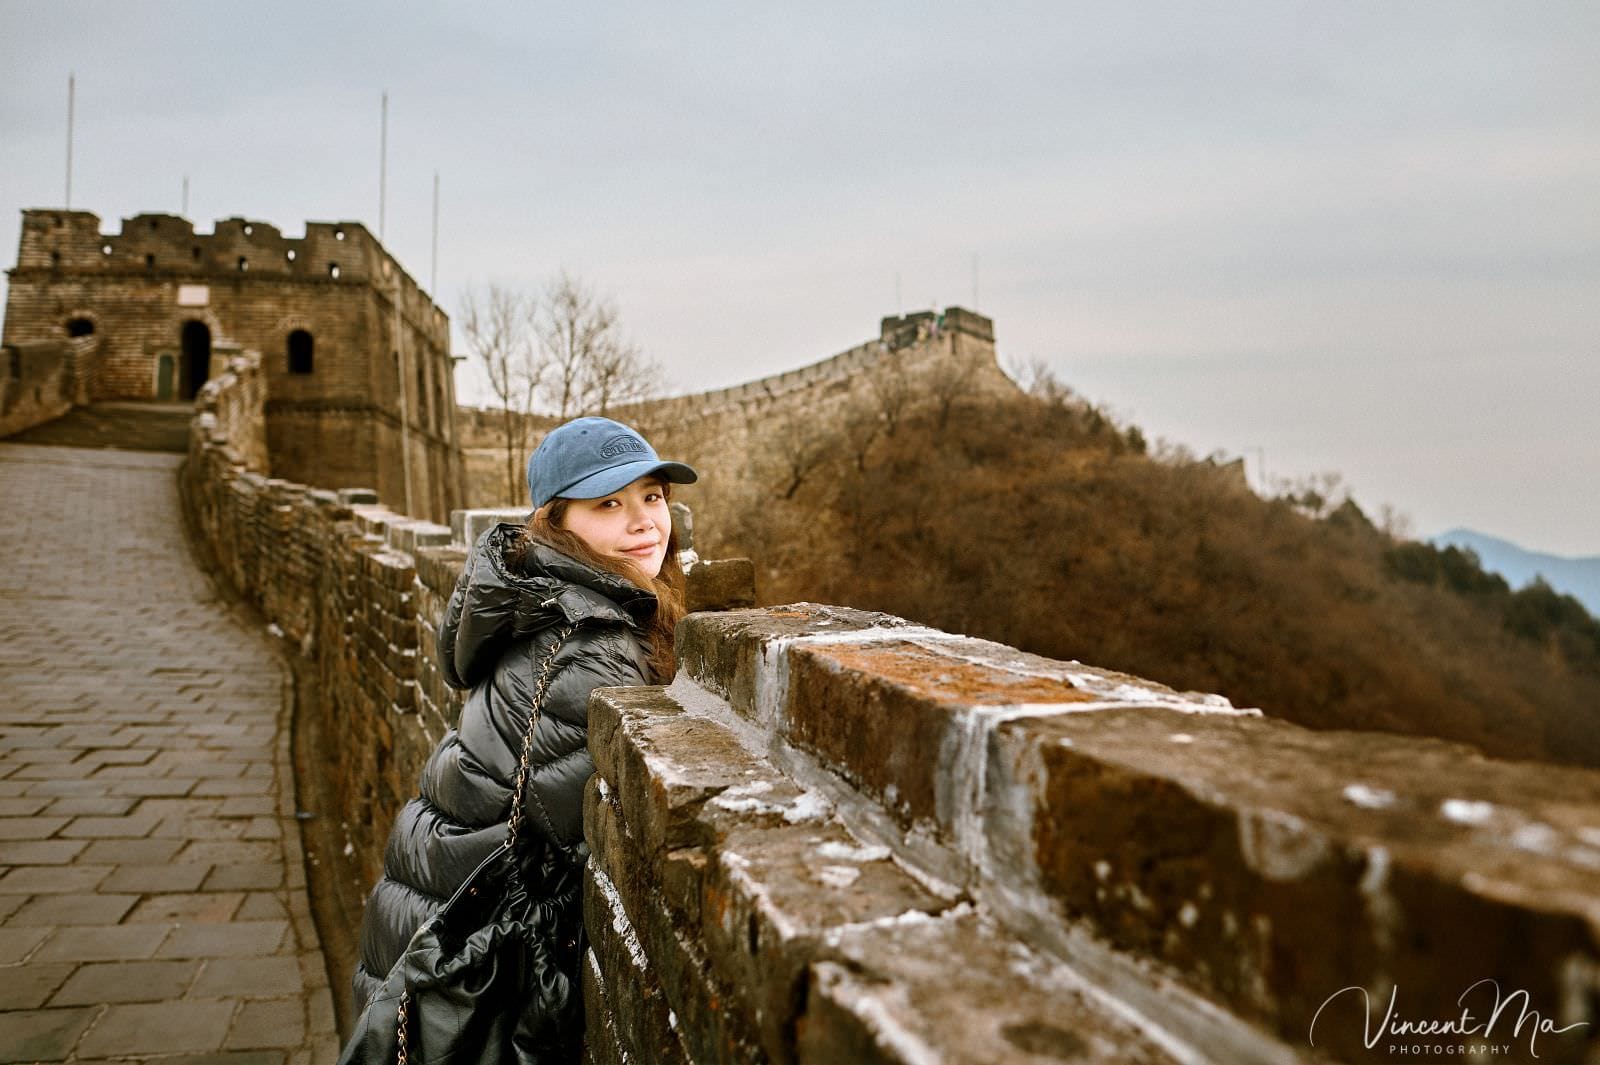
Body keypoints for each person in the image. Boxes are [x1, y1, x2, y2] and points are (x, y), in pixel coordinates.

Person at [350, 415, 697, 1055]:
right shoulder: (592, 646)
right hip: (467, 949)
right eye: (609, 504)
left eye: (652, 496)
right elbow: (588, 827)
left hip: (433, 902)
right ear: (557, 523)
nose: (644, 521)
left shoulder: (546, 599)